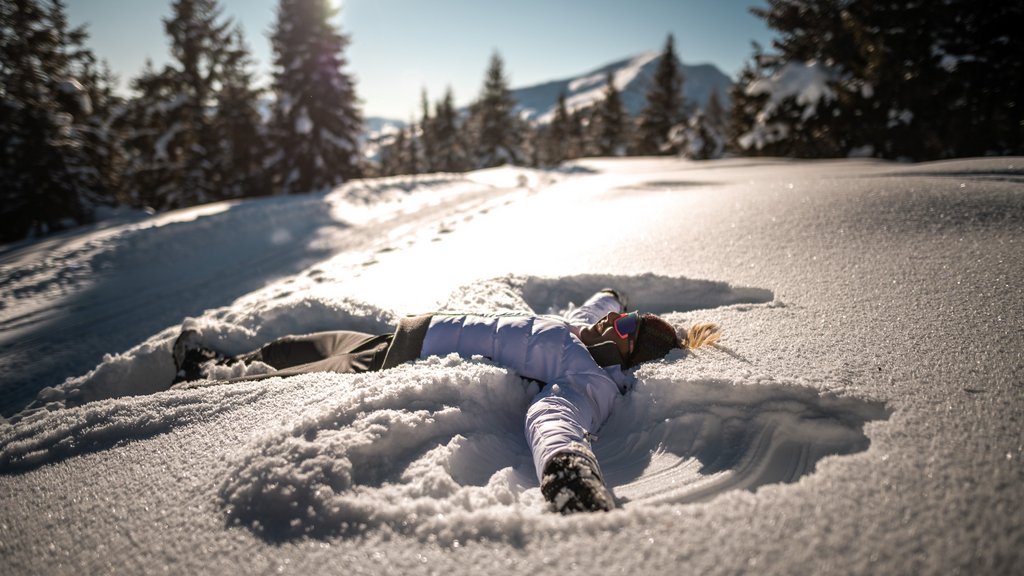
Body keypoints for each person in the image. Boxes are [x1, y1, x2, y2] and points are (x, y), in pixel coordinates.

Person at [171, 289, 720, 514]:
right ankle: (223, 357)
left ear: (625, 351)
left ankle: (207, 375)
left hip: (396, 362)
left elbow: (553, 421)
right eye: (620, 314)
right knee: (305, 343)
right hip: (410, 331)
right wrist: (616, 300)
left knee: (298, 371)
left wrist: (568, 470)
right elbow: (596, 301)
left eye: (622, 324)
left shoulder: (587, 380)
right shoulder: (583, 330)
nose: (610, 319)